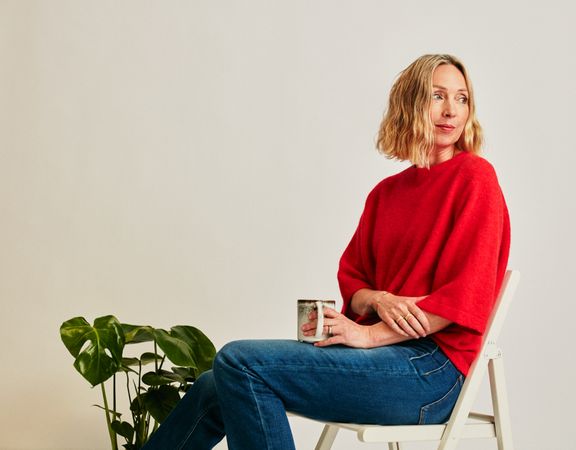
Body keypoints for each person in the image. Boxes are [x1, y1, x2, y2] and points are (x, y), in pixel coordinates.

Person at [142, 54, 510, 450]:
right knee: (215, 383)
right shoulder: (386, 194)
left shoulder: (476, 178)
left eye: (462, 98)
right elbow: (355, 278)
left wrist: (368, 336)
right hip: (385, 358)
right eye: (438, 96)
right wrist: (377, 299)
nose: (451, 110)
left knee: (240, 361)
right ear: (412, 103)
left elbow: (464, 299)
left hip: (430, 372)